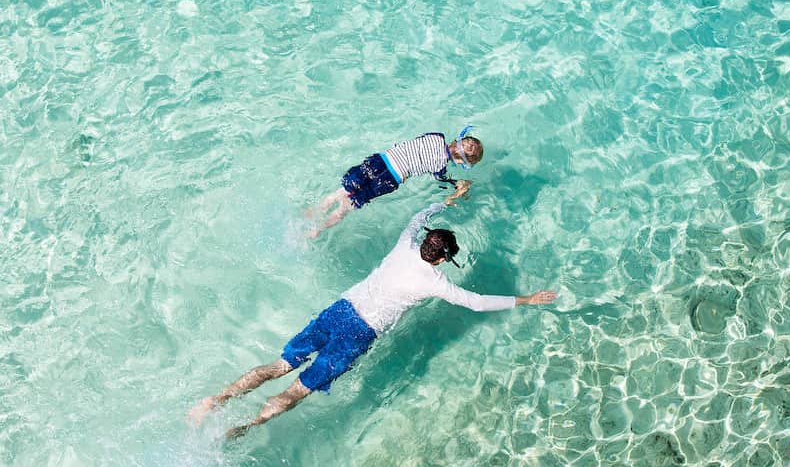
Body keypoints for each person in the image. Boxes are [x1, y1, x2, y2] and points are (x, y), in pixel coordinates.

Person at [189, 198, 556, 439]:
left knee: (278, 365)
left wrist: (445, 200)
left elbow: (416, 218)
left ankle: (214, 401)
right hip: (359, 334)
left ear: (426, 243)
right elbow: (476, 303)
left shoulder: (404, 245)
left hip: (340, 311)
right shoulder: (435, 282)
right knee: (298, 390)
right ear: (442, 259)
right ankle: (245, 427)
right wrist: (525, 299)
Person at [307, 128, 484, 238]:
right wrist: (456, 183)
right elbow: (440, 178)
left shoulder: (437, 136)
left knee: (343, 190)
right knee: (350, 204)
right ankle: (318, 229)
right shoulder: (440, 165)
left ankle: (313, 210)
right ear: (461, 162)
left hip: (380, 160)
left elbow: (419, 140)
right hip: (390, 179)